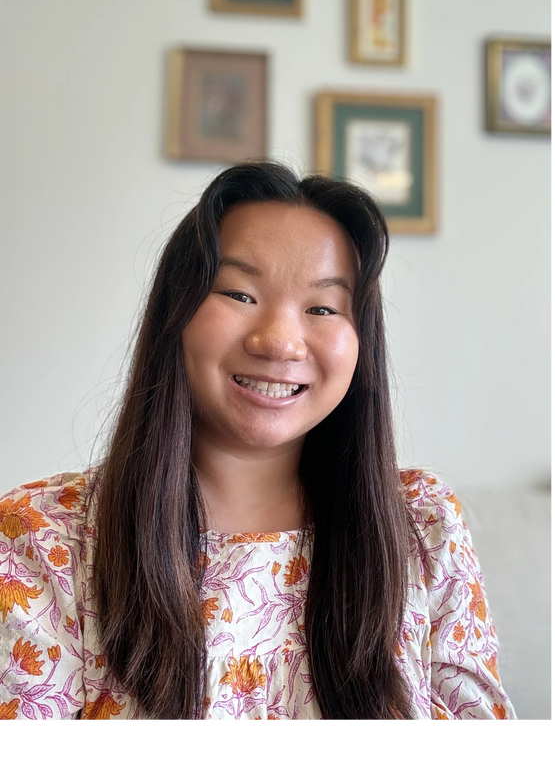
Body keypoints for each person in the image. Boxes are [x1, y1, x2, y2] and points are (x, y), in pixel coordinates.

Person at [0, 162, 516, 723]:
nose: (278, 341)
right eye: (240, 294)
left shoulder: (422, 526)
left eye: (322, 308)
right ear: (176, 312)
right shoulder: (41, 539)